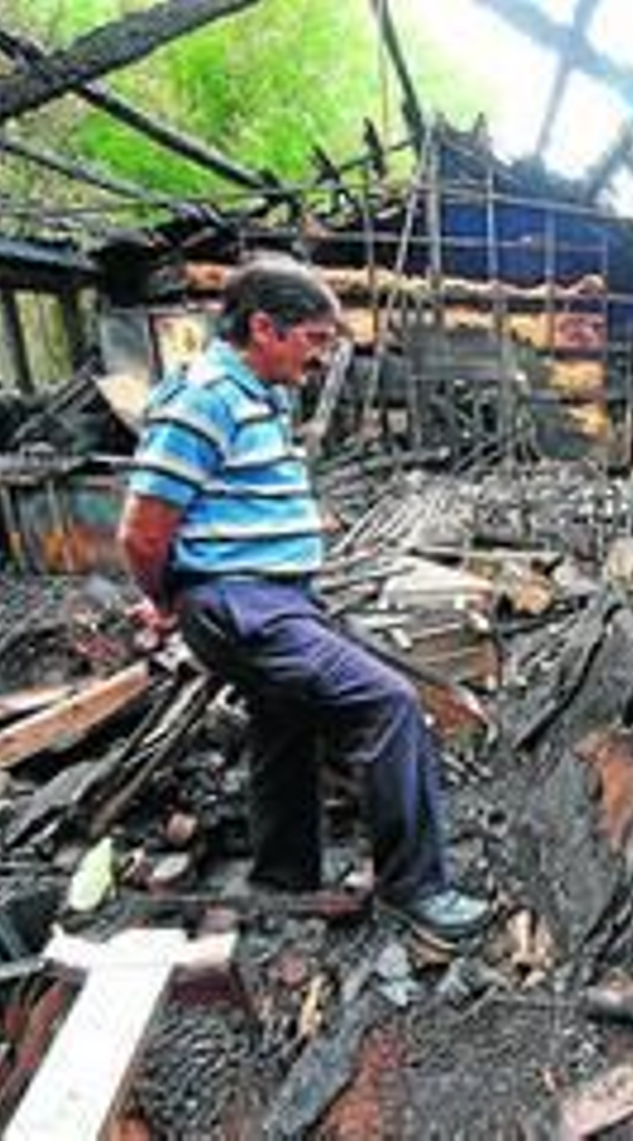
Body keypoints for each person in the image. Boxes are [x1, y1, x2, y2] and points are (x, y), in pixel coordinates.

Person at [117, 255, 492, 947]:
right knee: (389, 703)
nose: (321, 356)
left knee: (283, 720)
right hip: (239, 602)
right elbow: (142, 531)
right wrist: (166, 598)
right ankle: (418, 890)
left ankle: (283, 876)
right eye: (313, 339)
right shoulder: (202, 396)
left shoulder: (261, 392)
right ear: (263, 327)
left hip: (271, 596)